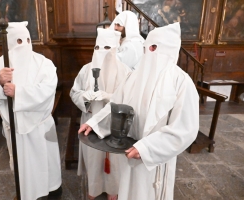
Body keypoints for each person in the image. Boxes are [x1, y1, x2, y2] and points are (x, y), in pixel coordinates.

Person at [78, 22, 199, 200]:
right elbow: (116, 104)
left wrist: (146, 148)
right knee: (128, 192)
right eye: (146, 47)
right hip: (129, 152)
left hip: (153, 159)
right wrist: (95, 123)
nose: (149, 52)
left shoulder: (181, 81)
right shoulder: (134, 76)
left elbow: (185, 128)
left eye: (154, 47)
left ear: (169, 49)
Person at [0, 21, 62, 200]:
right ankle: (25, 192)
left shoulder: (43, 63)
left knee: (46, 163)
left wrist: (18, 93)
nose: (24, 46)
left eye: (27, 40)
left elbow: (47, 90)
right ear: (8, 43)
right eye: (19, 41)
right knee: (22, 165)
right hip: (14, 127)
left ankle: (51, 191)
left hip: (40, 126)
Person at [70, 28, 131, 200]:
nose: (100, 53)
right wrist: (85, 98)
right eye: (97, 48)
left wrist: (109, 97)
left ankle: (113, 191)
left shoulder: (125, 71)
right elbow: (74, 92)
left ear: (114, 50)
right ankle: (94, 189)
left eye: (106, 48)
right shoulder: (86, 69)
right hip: (90, 121)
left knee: (116, 161)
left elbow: (129, 99)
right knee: (93, 158)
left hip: (115, 125)